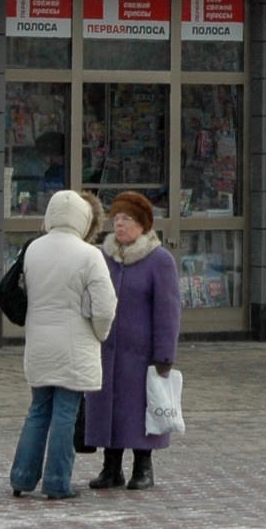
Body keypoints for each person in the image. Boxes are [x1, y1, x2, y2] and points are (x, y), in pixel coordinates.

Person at [11, 189, 117, 500]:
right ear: (84, 219)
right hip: (75, 347)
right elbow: (105, 306)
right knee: (65, 413)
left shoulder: (33, 250)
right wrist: (99, 333)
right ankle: (57, 482)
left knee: (38, 409)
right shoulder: (89, 255)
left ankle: (22, 476)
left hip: (39, 343)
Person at [84, 191, 181, 491]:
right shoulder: (103, 258)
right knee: (108, 409)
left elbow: (168, 310)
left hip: (141, 355)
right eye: (116, 219)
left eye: (127, 219)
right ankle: (111, 467)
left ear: (142, 224)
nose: (120, 225)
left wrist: (164, 355)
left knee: (141, 411)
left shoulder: (159, 260)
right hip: (106, 350)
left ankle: (144, 467)